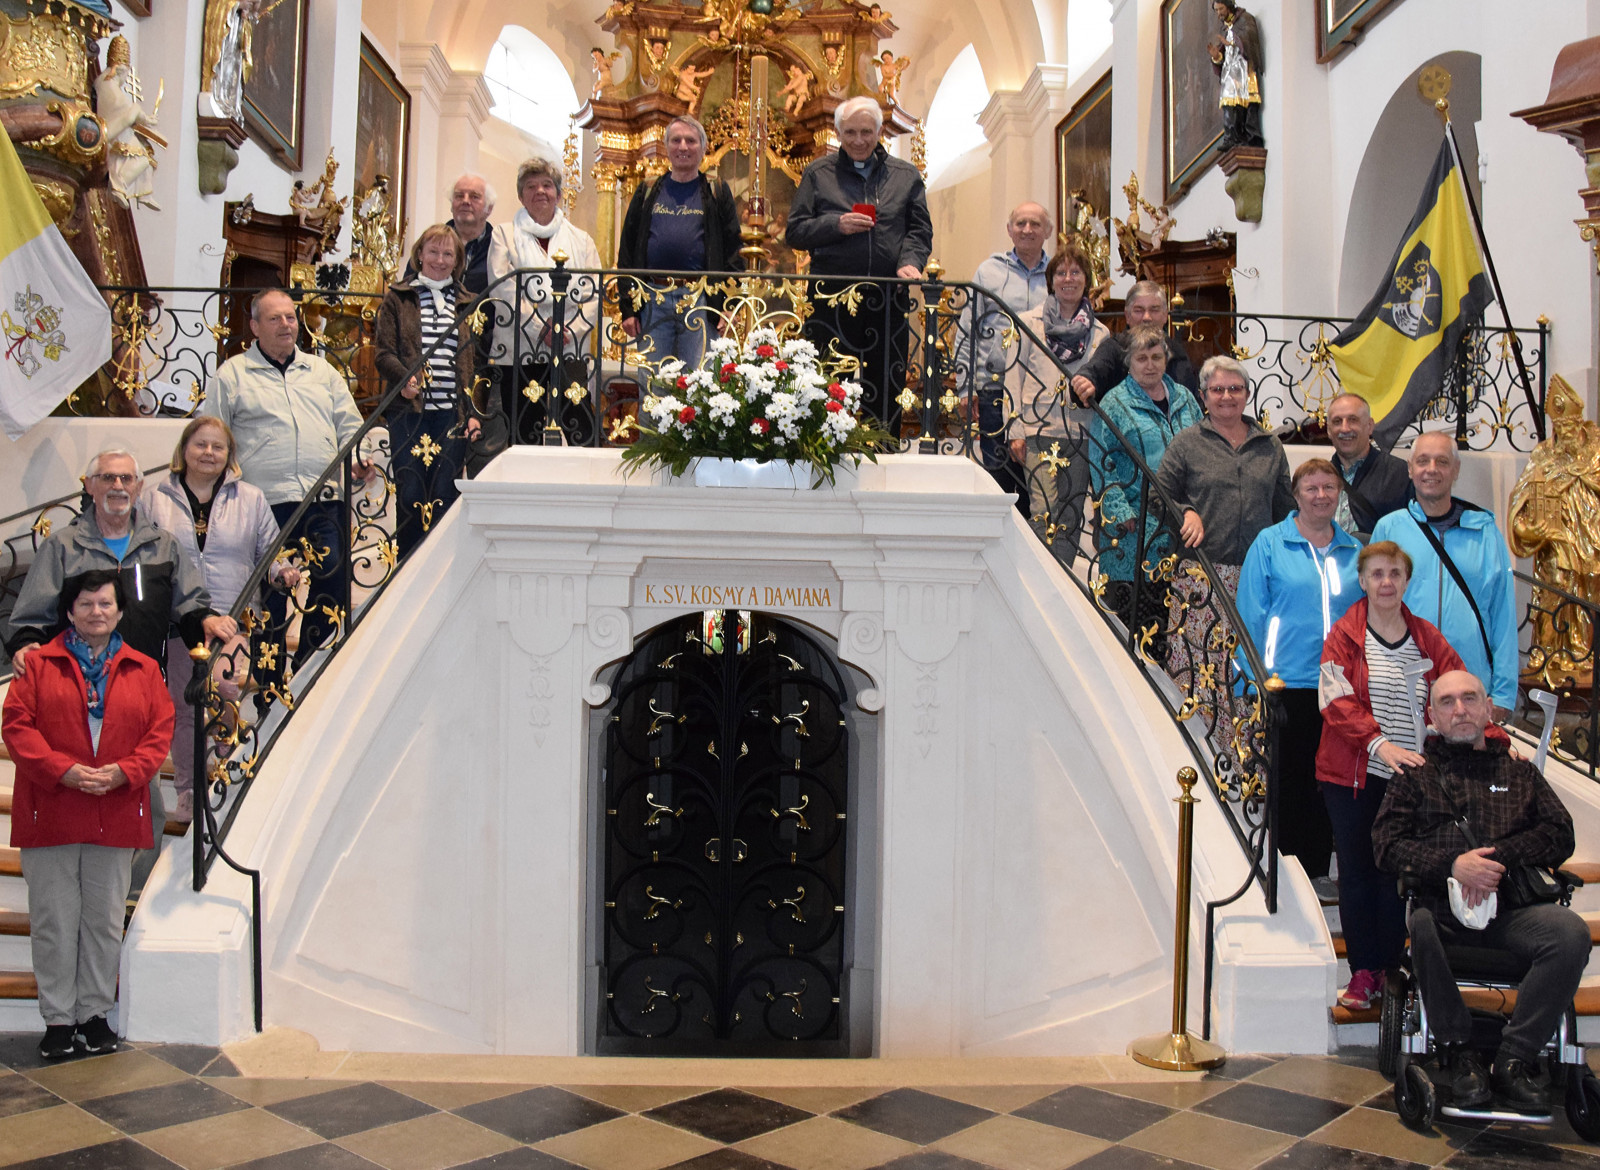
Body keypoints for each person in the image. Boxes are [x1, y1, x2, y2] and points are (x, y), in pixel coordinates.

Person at [1374, 670, 1589, 1113]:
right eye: (1447, 702)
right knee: (1420, 924)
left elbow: (1560, 834)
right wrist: (1454, 865)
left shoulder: (1520, 773)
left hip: (1512, 913)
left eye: (1470, 698)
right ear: (1432, 716)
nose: (1460, 710)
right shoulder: (1414, 777)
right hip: (1442, 914)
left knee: (1570, 933)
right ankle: (1460, 1052)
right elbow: (1386, 846)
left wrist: (1498, 859)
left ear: (1488, 709)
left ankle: (1514, 1058)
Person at [6, 448, 232, 863]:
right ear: (90, 487)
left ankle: (131, 894)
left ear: (139, 486)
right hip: (71, 700)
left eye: (126, 479)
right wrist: (25, 644)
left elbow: (189, 605)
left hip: (137, 693)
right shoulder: (62, 546)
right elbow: (31, 617)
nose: (118, 486)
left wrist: (207, 620)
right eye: (108, 478)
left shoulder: (163, 546)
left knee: (144, 804)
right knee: (77, 799)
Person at [2, 571, 174, 1060]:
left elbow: (159, 734)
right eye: (86, 604)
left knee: (102, 921)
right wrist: (64, 771)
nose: (96, 612)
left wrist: (124, 772)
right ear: (69, 611)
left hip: (114, 811)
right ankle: (58, 1020)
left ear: (119, 612)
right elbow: (16, 728)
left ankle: (95, 1014)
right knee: (55, 922)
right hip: (52, 810)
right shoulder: (37, 665)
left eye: (105, 603)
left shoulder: (144, 669)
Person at [1317, 540, 1465, 1011]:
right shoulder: (1344, 635)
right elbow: (1335, 701)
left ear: (1406, 581)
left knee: (1396, 875)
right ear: (1363, 581)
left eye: (1395, 574)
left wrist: (1496, 740)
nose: (1386, 582)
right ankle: (1363, 973)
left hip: (1408, 782)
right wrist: (1381, 744)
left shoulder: (1427, 637)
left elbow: (1459, 692)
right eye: (1377, 574)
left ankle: (1389, 968)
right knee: (1358, 874)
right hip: (1352, 777)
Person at [201, 289, 374, 684]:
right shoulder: (233, 375)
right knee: (271, 600)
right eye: (275, 318)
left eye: (291, 317)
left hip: (322, 497)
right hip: (263, 504)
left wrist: (360, 455)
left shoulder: (322, 372)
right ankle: (268, 688)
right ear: (255, 326)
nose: (286, 325)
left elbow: (350, 424)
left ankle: (309, 672)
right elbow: (214, 433)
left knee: (332, 582)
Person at [145, 418, 299, 822]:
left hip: (234, 614)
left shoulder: (250, 498)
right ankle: (188, 789)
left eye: (218, 446)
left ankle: (226, 759)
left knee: (227, 688)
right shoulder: (154, 498)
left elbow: (270, 550)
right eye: (201, 445)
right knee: (184, 706)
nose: (208, 453)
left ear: (230, 455)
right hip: (181, 618)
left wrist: (282, 571)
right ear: (184, 449)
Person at [1235, 458, 1360, 892]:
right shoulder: (1270, 544)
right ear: (1296, 494)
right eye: (1312, 488)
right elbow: (1250, 615)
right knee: (1289, 781)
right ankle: (1287, 872)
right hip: (1285, 684)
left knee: (1330, 782)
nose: (1321, 495)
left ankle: (1319, 870)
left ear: (1339, 494)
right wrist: (1249, 678)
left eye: (1329, 487)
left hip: (1339, 686)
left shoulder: (1353, 551)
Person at [786, 96, 933, 424]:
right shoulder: (818, 173)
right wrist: (835, 225)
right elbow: (795, 231)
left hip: (888, 297)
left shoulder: (905, 175)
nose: (858, 140)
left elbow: (919, 230)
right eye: (850, 132)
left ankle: (882, 453)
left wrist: (909, 262)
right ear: (838, 133)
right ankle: (825, 451)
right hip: (831, 298)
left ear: (879, 132)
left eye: (866, 132)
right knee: (825, 389)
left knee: (886, 391)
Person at [1371, 431, 1518, 719]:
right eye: (1423, 461)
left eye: (1442, 461)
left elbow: (1503, 614)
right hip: (1402, 683)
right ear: (1410, 469)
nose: (1432, 469)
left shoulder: (1485, 532)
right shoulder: (1389, 530)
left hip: (1469, 684)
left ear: (1456, 470)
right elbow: (1371, 610)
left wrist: (1503, 694)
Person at [376, 225, 488, 557]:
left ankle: (440, 569)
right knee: (410, 495)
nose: (440, 260)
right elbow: (383, 353)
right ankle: (408, 568)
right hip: (408, 414)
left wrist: (474, 413)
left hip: (452, 415)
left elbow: (478, 364)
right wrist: (405, 380)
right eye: (433, 252)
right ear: (420, 255)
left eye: (448, 254)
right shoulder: (398, 297)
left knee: (446, 495)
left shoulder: (468, 302)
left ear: (457, 261)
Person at [1089, 327, 1203, 651]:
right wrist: (1119, 512)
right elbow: (1101, 461)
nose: (1150, 365)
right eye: (1142, 358)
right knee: (1138, 633)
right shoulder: (1114, 404)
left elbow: (1203, 449)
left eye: (1156, 357)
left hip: (1182, 526)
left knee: (1179, 628)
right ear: (1129, 362)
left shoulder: (1185, 399)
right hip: (1135, 530)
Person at [487, 157, 604, 444]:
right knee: (523, 430)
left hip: (570, 346)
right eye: (531, 186)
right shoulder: (504, 235)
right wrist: (540, 327)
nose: (540, 191)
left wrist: (567, 330)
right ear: (520, 195)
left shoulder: (582, 240)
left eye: (547, 185)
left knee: (579, 428)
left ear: (559, 194)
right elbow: (502, 287)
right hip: (519, 345)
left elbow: (594, 291)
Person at [616, 115, 740, 368]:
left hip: (701, 299)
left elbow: (734, 250)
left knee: (699, 381)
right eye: (676, 140)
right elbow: (627, 249)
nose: (683, 146)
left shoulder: (716, 190)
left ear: (703, 148)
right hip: (652, 298)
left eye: (691, 141)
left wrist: (730, 305)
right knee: (653, 380)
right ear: (666, 147)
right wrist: (627, 308)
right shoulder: (647, 190)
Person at [1006, 243, 1109, 539]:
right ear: (1051, 281)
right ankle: (1041, 569)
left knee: (1070, 517)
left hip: (1081, 433)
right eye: (1061, 273)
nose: (1068, 279)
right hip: (1037, 429)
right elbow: (1013, 379)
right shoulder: (1028, 323)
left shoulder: (1100, 333)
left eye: (1075, 272)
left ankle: (1061, 569)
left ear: (1086, 280)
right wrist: (1014, 429)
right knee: (1043, 511)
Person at [971, 202, 1053, 507]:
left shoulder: (1059, 275)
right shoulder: (988, 271)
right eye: (1020, 223)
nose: (1027, 230)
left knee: (1040, 479)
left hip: (1041, 392)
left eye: (1035, 224)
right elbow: (968, 329)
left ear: (1048, 231)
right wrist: (967, 386)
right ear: (1009, 229)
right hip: (995, 387)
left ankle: (1034, 533)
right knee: (999, 476)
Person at [1070, 281, 1199, 402]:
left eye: (1154, 309)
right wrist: (1086, 381)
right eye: (1139, 310)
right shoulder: (1113, 348)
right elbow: (1096, 370)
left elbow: (1191, 399)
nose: (1147, 317)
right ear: (1127, 315)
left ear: (1165, 315)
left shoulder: (1176, 352)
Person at [1325, 393, 1410, 540]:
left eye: (1353, 420)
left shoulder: (1399, 474)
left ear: (1370, 426)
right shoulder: (1318, 478)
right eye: (1337, 421)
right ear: (1328, 430)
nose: (1345, 428)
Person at [1209, 0, 1264, 150]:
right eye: (1216, 10)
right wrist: (1217, 57)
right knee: (1228, 103)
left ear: (1228, 6)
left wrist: (1234, 42)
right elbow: (1225, 55)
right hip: (1230, 73)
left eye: (1221, 9)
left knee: (1246, 102)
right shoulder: (1226, 28)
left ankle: (1248, 136)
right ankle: (1232, 137)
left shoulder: (1244, 19)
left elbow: (1250, 38)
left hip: (1244, 70)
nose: (1219, 13)